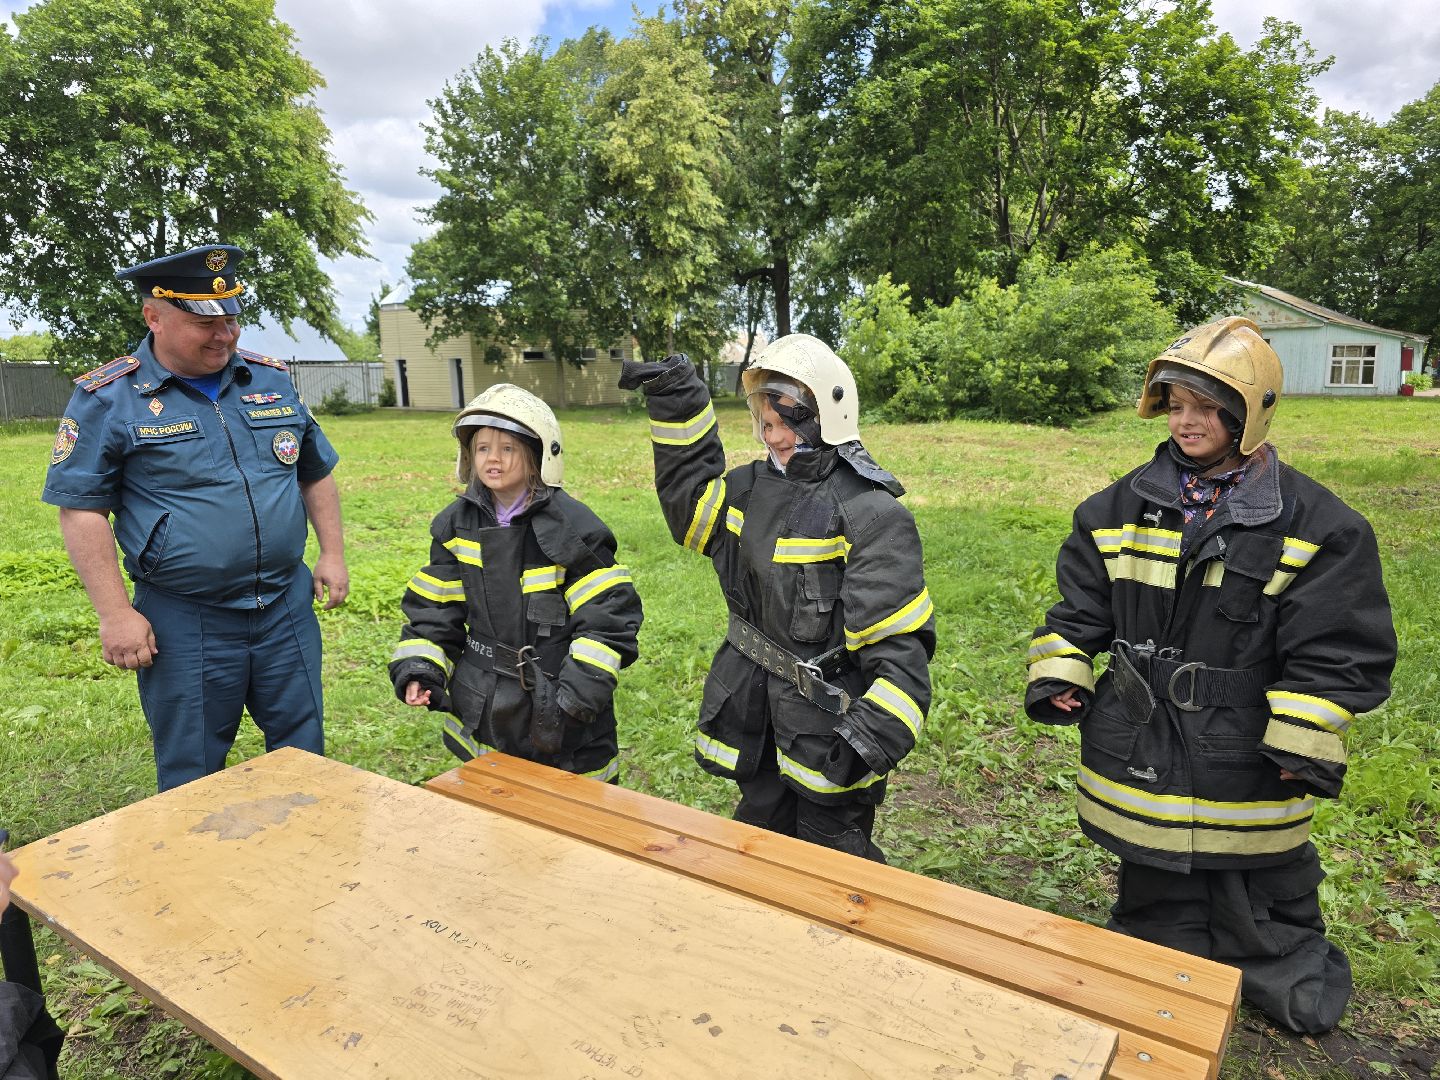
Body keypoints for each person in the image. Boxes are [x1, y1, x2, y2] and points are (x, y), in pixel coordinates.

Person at [1024, 316, 1396, 1033]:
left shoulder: (1321, 526)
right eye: (1174, 405)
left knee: (1255, 880)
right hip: (1141, 734)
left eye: (1204, 408)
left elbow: (1339, 648)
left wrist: (1302, 738)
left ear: (1247, 413)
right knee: (1153, 874)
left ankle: (1266, 961)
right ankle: (1163, 953)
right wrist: (1062, 671)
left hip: (1244, 745)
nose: (1185, 422)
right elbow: (1078, 607)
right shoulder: (1116, 508)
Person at [41, 245, 348, 792]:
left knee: (306, 759)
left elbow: (314, 470)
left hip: (285, 607)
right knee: (193, 774)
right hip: (186, 619)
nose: (224, 335)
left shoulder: (268, 380)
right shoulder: (110, 398)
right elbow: (81, 510)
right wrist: (114, 614)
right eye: (203, 322)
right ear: (153, 316)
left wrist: (331, 553)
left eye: (231, 318)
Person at [621, 337, 935, 862]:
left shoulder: (871, 514)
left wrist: (864, 745)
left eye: (790, 421)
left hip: (831, 740)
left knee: (833, 869)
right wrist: (677, 399)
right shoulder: (747, 491)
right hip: (756, 721)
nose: (776, 437)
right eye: (766, 424)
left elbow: (900, 651)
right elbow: (691, 512)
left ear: (828, 415)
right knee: (756, 855)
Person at [389, 384, 642, 779]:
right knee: (492, 802)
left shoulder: (573, 528)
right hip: (485, 697)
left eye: (508, 449)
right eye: (483, 448)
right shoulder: (456, 525)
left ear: (538, 455)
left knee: (573, 816)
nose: (493, 459)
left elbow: (608, 622)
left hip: (557, 701)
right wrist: (420, 667)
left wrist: (574, 700)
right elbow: (436, 608)